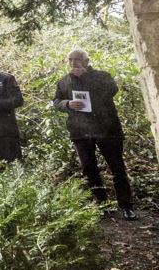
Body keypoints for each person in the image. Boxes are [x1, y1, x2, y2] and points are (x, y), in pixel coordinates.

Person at [52, 48, 137, 220]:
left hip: (107, 129)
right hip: (80, 132)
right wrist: (67, 104)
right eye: (70, 59)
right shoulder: (63, 82)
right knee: (89, 169)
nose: (73, 62)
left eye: (77, 59)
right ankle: (103, 205)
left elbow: (111, 91)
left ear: (87, 61)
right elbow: (56, 101)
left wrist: (86, 77)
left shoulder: (102, 76)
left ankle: (126, 206)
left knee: (117, 168)